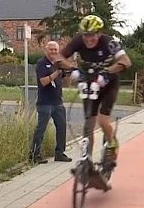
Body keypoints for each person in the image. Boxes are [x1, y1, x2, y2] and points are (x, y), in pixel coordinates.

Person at [55, 15, 132, 164]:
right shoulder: (78, 41)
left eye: (92, 35)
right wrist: (71, 68)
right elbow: (59, 58)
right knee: (89, 124)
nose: (88, 39)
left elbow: (126, 62)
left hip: (108, 84)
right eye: (85, 35)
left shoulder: (109, 43)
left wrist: (108, 71)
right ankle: (87, 159)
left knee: (103, 121)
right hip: (89, 84)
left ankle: (112, 145)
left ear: (99, 33)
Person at [30, 41, 72, 164]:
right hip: (45, 103)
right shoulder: (41, 63)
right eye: (51, 49)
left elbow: (65, 81)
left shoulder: (58, 63)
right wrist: (56, 72)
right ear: (46, 50)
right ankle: (35, 155)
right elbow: (43, 81)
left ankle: (59, 153)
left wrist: (69, 71)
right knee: (41, 129)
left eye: (55, 50)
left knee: (62, 127)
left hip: (58, 102)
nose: (53, 52)